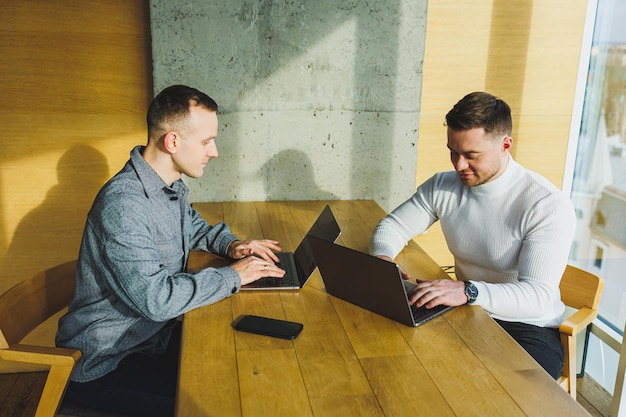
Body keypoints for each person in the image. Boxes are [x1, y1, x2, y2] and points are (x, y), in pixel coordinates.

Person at [56, 85, 285, 417]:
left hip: (151, 340)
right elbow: (157, 299)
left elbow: (190, 225)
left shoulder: (169, 185)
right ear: (173, 141)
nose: (215, 151)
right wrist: (231, 277)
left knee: (247, 363)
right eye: (207, 141)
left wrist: (232, 246)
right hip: (107, 361)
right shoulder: (124, 205)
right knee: (225, 404)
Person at [369, 91, 575, 379]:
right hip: (467, 312)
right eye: (453, 151)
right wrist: (382, 256)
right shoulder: (443, 186)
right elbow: (393, 227)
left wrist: (468, 290)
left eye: (471, 155)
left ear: (505, 145)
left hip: (528, 328)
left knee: (486, 390)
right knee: (396, 357)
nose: (458, 165)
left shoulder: (545, 204)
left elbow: (538, 297)